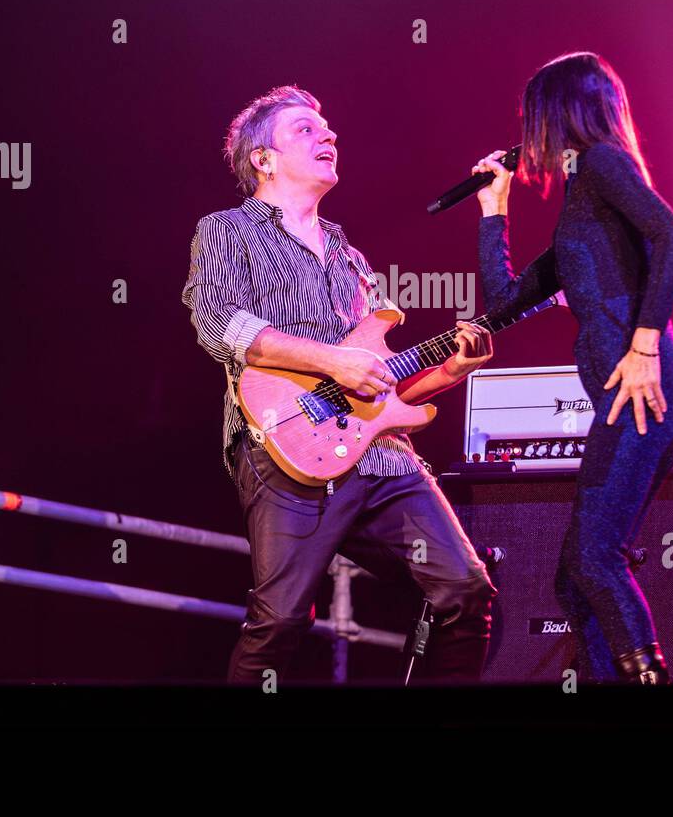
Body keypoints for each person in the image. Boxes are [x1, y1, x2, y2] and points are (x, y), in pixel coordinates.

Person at [182, 85, 497, 684]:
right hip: (281, 444)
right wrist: (332, 361)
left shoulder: (350, 258)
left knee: (463, 588)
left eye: (327, 129)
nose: (328, 136)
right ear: (263, 159)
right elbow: (219, 321)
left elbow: (383, 390)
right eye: (305, 130)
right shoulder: (228, 231)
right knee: (280, 622)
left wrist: (452, 370)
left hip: (378, 459)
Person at [471, 52, 673, 684]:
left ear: (559, 111)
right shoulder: (580, 198)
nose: (525, 130)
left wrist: (645, 346)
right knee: (578, 575)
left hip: (646, 391)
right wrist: (495, 209)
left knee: (596, 559)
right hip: (624, 400)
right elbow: (506, 301)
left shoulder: (601, 163)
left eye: (531, 115)